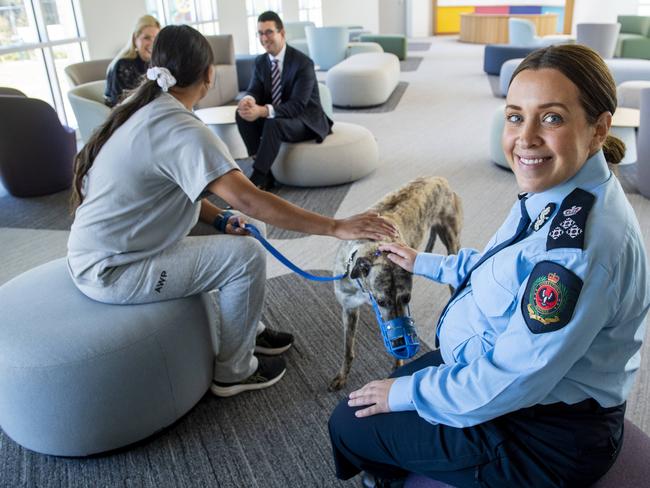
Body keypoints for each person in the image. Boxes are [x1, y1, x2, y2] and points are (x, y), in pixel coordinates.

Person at [328, 44, 650, 487]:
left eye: (552, 118)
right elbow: (507, 266)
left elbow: (511, 380)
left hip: (547, 436)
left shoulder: (576, 252)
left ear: (598, 130)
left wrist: (406, 394)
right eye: (516, 116)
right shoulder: (559, 192)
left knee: (349, 423)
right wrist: (427, 263)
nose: (525, 138)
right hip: (516, 380)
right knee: (392, 385)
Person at [68, 25, 395, 399]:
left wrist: (221, 218)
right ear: (209, 75)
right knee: (247, 256)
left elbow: (183, 190)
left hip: (118, 247)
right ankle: (234, 371)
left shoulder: (141, 107)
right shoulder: (181, 129)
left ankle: (249, 328)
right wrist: (337, 226)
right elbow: (251, 199)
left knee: (247, 227)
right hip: (113, 270)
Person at [235, 10, 332, 191]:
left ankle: (258, 176)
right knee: (242, 114)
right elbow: (254, 89)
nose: (264, 38)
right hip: (279, 113)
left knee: (273, 124)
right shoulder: (261, 61)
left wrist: (262, 111)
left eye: (269, 32)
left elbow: (297, 105)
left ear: (282, 33)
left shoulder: (303, 63)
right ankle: (264, 166)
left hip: (305, 119)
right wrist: (248, 100)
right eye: (260, 33)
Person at [104, 14, 161, 107]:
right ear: (135, 39)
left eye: (156, 38)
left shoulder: (156, 63)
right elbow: (123, 104)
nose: (152, 43)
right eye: (147, 38)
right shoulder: (123, 65)